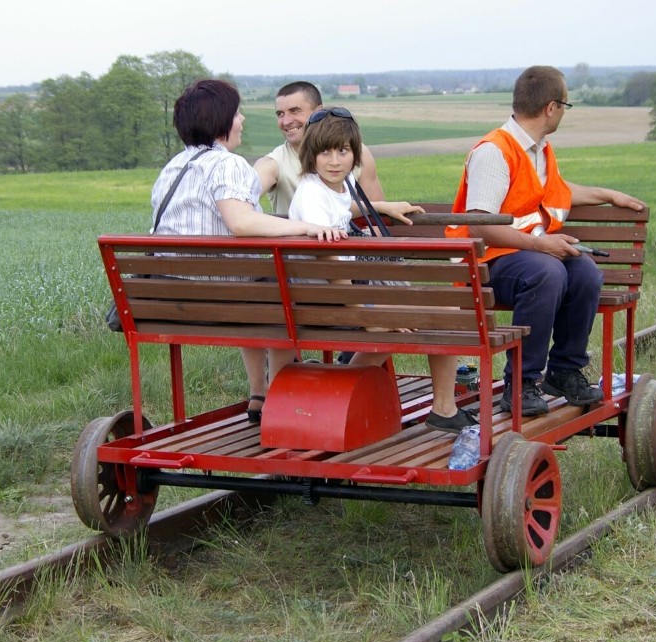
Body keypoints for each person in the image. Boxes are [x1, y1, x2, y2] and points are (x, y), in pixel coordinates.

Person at [448, 65, 645, 416]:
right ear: (551, 108)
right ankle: (520, 384)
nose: (564, 113)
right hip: (485, 263)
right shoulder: (495, 151)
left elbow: (557, 192)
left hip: (523, 254)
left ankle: (564, 371)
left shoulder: (539, 149)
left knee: (585, 273)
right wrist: (542, 245)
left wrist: (608, 194)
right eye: (566, 105)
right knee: (547, 273)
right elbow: (479, 224)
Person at [151, 79, 347, 424]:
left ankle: (260, 392)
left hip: (170, 295)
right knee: (284, 291)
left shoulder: (172, 168)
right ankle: (283, 390)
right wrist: (304, 227)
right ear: (223, 120)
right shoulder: (228, 164)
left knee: (260, 288)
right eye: (237, 113)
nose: (241, 119)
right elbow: (241, 222)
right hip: (220, 294)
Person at [272, 107, 473, 433]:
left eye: (343, 151)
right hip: (328, 296)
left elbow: (340, 207)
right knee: (430, 316)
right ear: (311, 153)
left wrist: (380, 206)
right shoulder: (310, 194)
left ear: (355, 152)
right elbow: (328, 262)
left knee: (443, 309)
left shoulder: (330, 185)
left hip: (340, 289)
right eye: (325, 152)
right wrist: (366, 315)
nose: (334, 160)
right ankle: (342, 392)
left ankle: (439, 406)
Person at [253, 81, 417, 224]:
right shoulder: (272, 164)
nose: (286, 121)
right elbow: (239, 203)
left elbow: (376, 220)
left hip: (349, 247)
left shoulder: (360, 152)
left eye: (295, 111)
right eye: (280, 114)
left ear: (319, 111)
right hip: (309, 253)